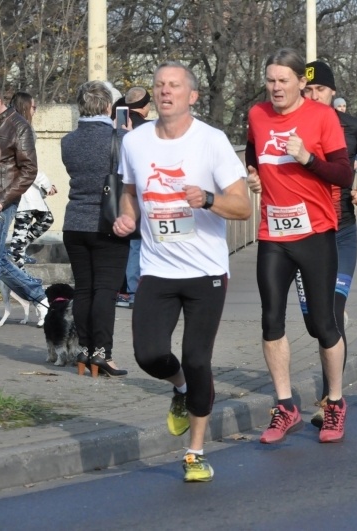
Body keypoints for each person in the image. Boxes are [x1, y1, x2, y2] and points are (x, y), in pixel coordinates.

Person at [114, 61, 251, 482]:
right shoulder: (134, 142)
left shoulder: (211, 141)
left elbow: (243, 206)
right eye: (159, 86)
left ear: (192, 96)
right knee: (148, 354)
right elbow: (130, 191)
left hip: (205, 270)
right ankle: (180, 388)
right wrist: (126, 217)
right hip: (157, 268)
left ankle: (194, 452)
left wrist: (208, 199)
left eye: (174, 86)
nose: (165, 92)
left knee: (197, 358)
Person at [246, 48, 353, 444]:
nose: (275, 87)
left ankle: (335, 403)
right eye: (270, 80)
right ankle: (285, 404)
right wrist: (253, 175)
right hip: (273, 233)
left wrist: (307, 157)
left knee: (324, 323)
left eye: (283, 80)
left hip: (315, 232)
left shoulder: (322, 116)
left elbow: (343, 172)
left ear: (301, 83)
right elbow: (252, 151)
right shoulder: (257, 114)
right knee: (271, 319)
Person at [302, 60, 357, 427]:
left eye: (319, 89)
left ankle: (329, 400)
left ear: (332, 91)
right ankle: (335, 322)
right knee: (313, 324)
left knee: (330, 318)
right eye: (307, 90)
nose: (312, 95)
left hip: (341, 232)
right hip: (303, 236)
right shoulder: (291, 128)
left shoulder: (354, 127)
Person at [61, 81, 131, 377]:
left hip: (74, 222)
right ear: (107, 107)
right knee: (106, 290)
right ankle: (102, 353)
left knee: (84, 288)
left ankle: (83, 351)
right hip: (108, 222)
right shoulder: (120, 138)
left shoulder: (68, 141)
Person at [0, 83, 48, 331]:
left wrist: (4, 197)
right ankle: (38, 295)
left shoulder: (18, 126)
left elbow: (29, 169)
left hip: (0, 201)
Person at [8, 92, 56, 268]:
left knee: (45, 219)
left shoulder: (17, 127)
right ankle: (17, 266)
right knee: (22, 228)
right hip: (22, 188)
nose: (35, 110)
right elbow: (28, 164)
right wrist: (46, 184)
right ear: (26, 107)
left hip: (25, 187)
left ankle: (17, 252)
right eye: (33, 107)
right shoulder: (22, 130)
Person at [114, 86, 152, 309]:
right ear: (144, 105)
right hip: (138, 191)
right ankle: (133, 290)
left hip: (116, 190)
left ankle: (124, 290)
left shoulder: (117, 122)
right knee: (138, 242)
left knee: (125, 241)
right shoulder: (147, 129)